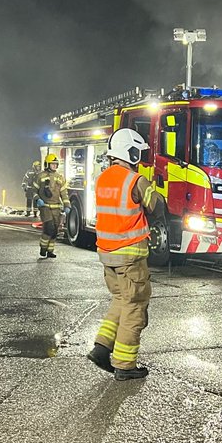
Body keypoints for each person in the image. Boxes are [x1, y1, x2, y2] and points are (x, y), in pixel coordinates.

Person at [87, 127, 164, 380]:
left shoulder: (103, 178)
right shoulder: (134, 180)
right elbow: (156, 207)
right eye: (137, 153)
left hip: (107, 254)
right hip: (130, 255)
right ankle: (125, 365)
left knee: (120, 301)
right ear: (129, 152)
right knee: (135, 307)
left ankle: (101, 348)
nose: (139, 159)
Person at [35, 152, 69, 258]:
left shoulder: (60, 178)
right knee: (49, 228)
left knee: (55, 230)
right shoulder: (40, 176)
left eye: (55, 164)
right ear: (47, 164)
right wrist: (37, 200)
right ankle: (43, 248)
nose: (54, 166)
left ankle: (50, 251)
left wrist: (67, 205)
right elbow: (33, 191)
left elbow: (64, 193)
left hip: (56, 208)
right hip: (45, 207)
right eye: (52, 164)